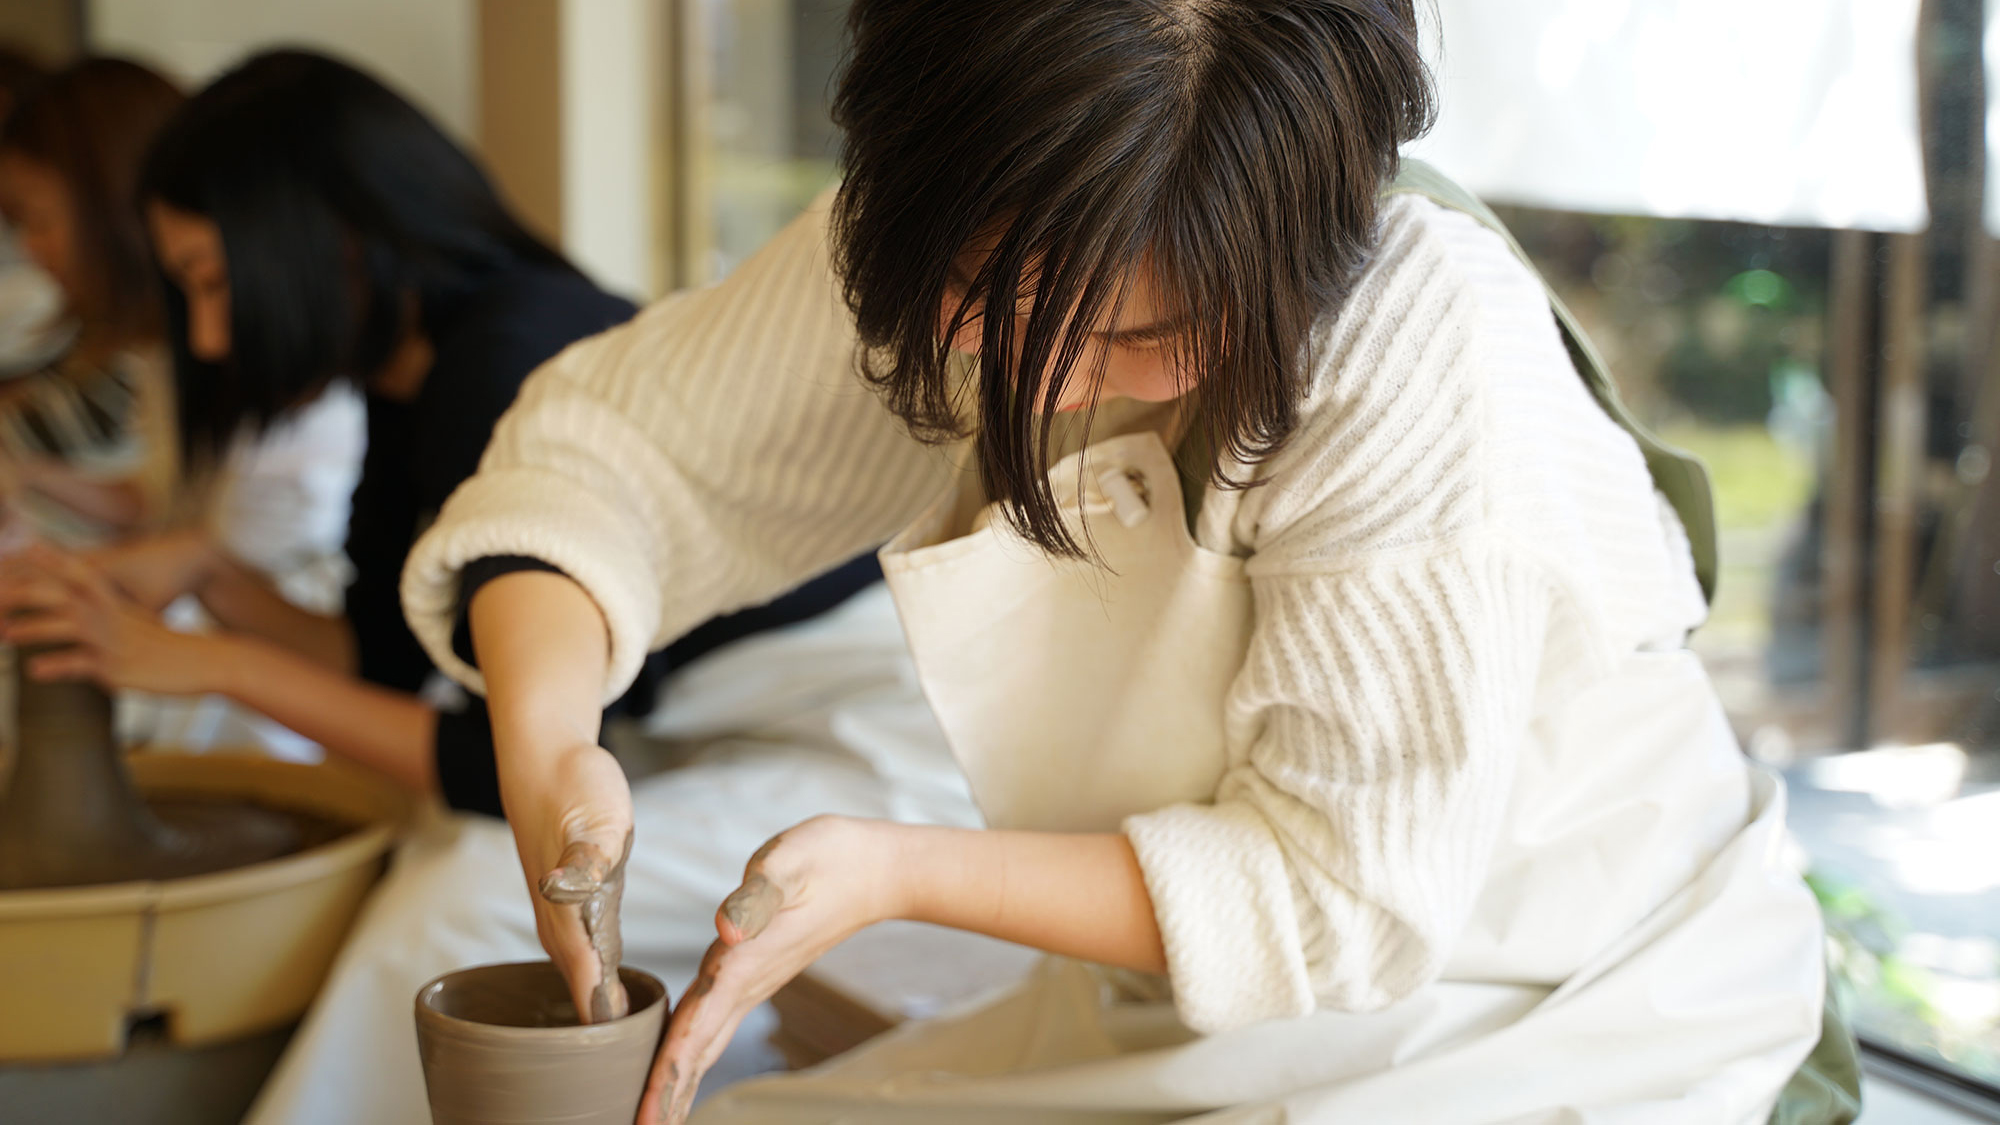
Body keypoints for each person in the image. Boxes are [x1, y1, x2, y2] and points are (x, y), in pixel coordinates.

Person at [401, 2, 1857, 1123]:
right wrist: (546, 751)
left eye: (1148, 335)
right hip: (1177, 1007)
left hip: (1557, 1006)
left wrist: (896, 872)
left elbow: (1336, 901)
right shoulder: (947, 228)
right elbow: (617, 464)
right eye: (992, 307)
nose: (1052, 379)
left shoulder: (1422, 338)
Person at [0, 49, 882, 815]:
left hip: (824, 715)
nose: (209, 339)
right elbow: (381, 658)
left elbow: (506, 768)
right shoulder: (404, 377)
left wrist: (216, 662)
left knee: (441, 920)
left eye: (214, 283)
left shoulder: (502, 367)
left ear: (330, 241)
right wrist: (209, 574)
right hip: (667, 722)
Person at [0, 57, 183, 547]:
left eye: (38, 221)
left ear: (112, 209)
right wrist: (27, 476)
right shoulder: (155, 344)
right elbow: (154, 500)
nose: (29, 248)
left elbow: (202, 556)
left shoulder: (207, 340)